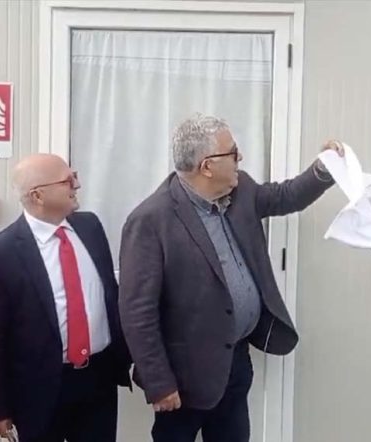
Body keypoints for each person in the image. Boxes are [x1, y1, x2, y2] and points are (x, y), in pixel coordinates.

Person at [119, 114, 342, 442]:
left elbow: (285, 197)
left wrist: (324, 169)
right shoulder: (151, 220)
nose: (241, 158)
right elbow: (137, 312)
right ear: (207, 166)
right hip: (184, 375)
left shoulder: (241, 190)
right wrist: (159, 383)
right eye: (234, 153)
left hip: (235, 360)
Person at [0, 153, 131, 442]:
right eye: (67, 180)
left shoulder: (90, 227)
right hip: (38, 389)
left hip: (98, 377)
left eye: (74, 176)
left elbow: (110, 294)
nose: (77, 185)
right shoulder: (0, 253)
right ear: (38, 195)